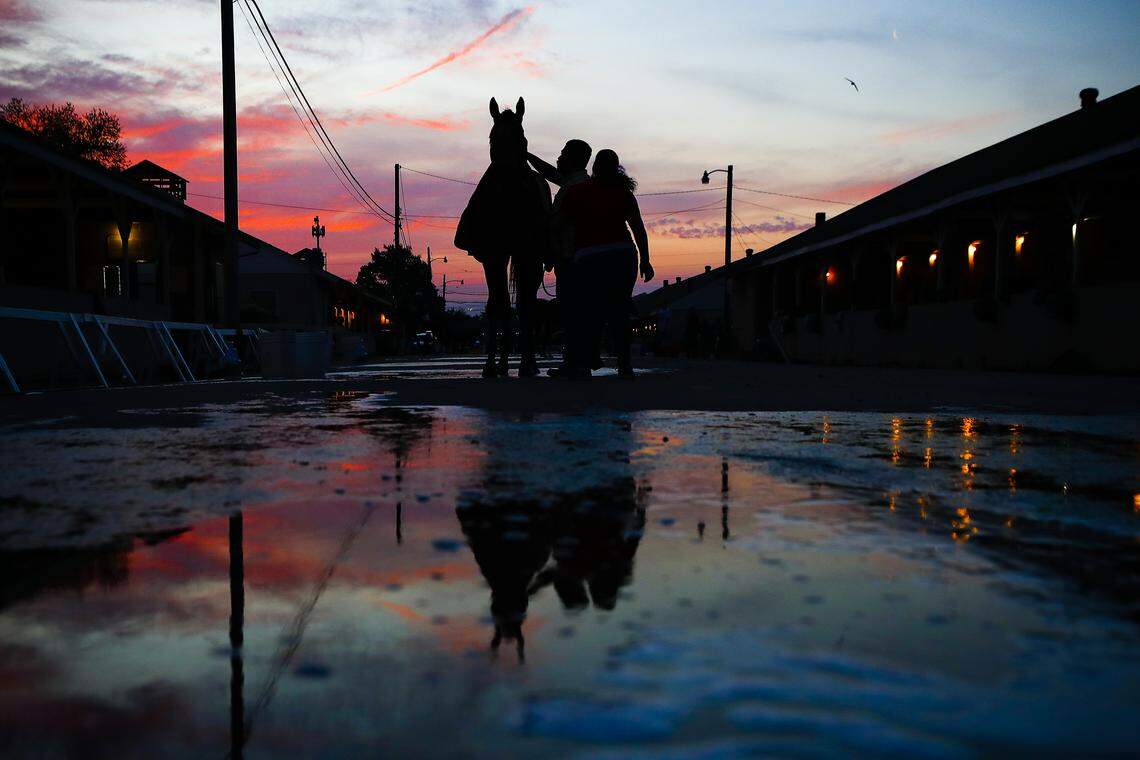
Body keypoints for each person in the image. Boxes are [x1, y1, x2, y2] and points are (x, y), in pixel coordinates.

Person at [553, 149, 653, 378]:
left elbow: (558, 225)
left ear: (594, 168)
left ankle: (583, 364)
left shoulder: (578, 192)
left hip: (590, 257)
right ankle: (625, 365)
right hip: (624, 255)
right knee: (620, 310)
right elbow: (638, 228)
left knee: (588, 312)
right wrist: (645, 260)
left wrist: (556, 252)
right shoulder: (625, 194)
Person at [527, 141, 593, 371]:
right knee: (574, 309)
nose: (559, 157)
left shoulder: (576, 187)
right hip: (572, 256)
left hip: (572, 258)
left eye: (563, 154)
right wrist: (527, 155)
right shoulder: (574, 182)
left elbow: (558, 223)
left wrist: (550, 249)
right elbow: (549, 172)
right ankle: (578, 359)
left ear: (573, 159)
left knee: (573, 310)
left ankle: (576, 362)